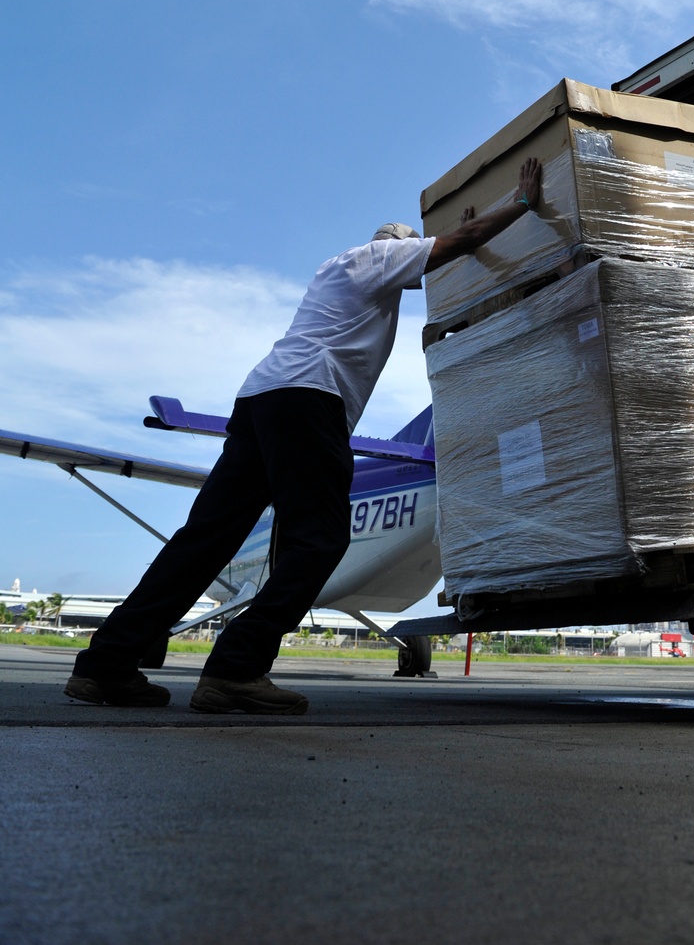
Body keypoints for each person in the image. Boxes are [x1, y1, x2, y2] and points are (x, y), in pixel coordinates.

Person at [65, 157, 542, 714]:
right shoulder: (376, 255)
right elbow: (447, 247)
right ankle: (237, 669)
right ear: (396, 247)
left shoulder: (344, 274)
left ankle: (105, 665)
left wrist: (468, 239)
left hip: (262, 399)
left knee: (205, 541)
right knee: (319, 540)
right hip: (307, 401)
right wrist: (522, 204)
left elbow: (448, 258)